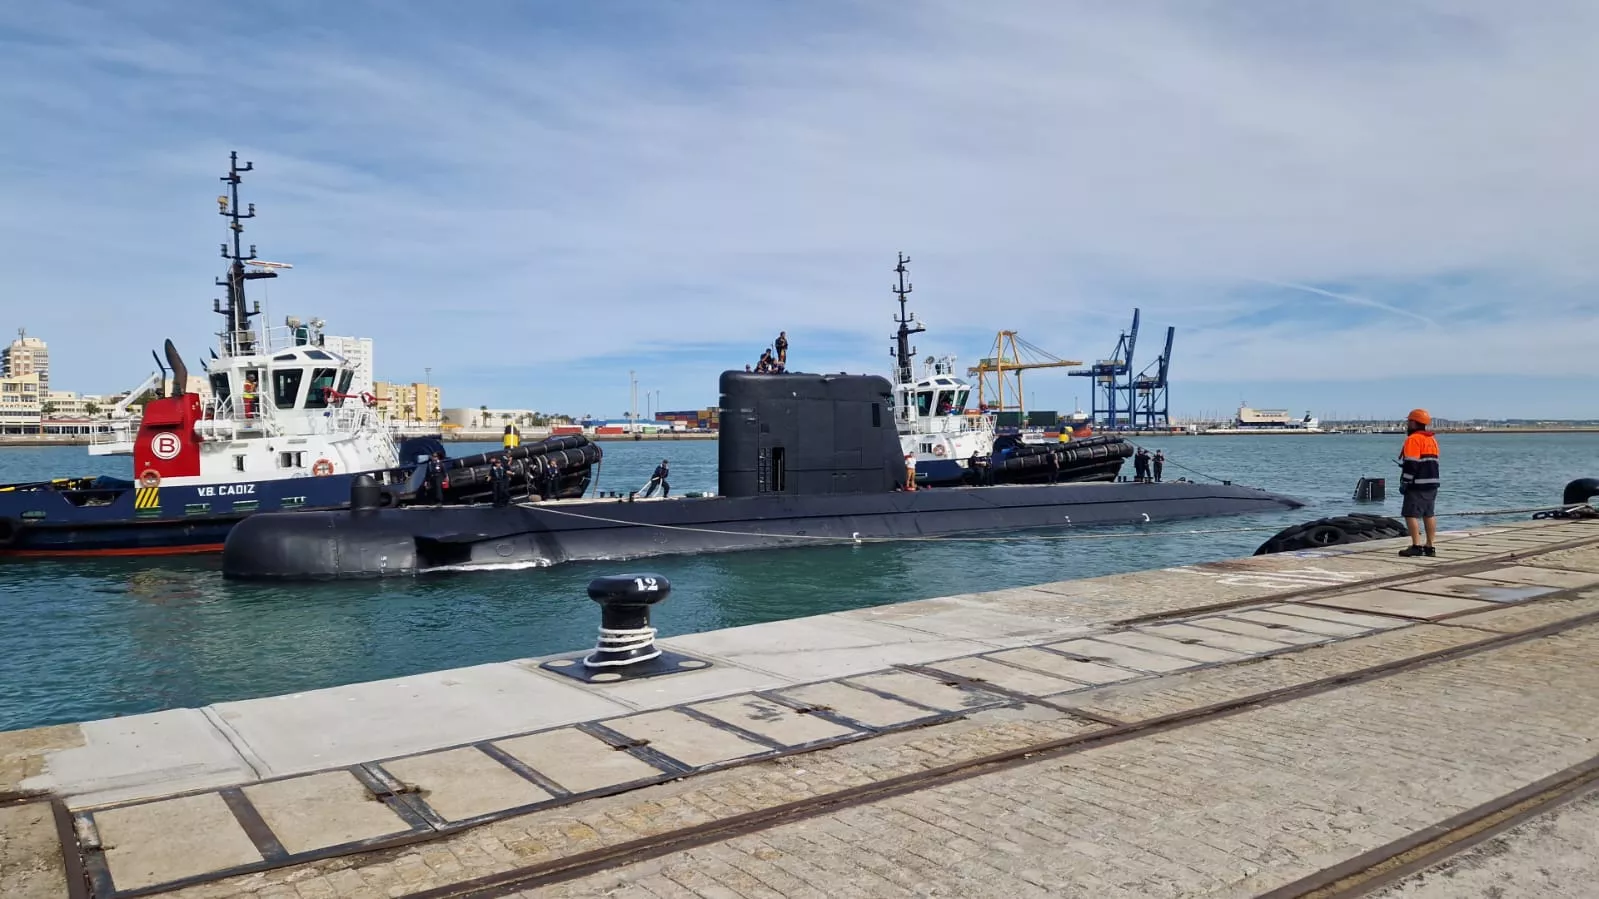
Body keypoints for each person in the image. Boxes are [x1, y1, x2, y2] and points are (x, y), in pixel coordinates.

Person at [1396, 408, 1441, 557]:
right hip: (1433, 482)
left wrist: (1405, 482)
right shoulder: (1431, 439)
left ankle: (1416, 545)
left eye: (1409, 421)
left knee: (1410, 514)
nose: (1407, 424)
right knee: (1429, 514)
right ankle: (1430, 546)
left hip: (1417, 484)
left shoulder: (1413, 439)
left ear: (1414, 423)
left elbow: (1412, 464)